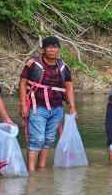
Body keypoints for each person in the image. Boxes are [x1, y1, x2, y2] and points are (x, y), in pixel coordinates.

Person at [19, 36, 76, 173]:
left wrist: (73, 106)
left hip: (56, 108)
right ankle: (31, 171)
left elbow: (69, 86)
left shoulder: (63, 67)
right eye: (49, 47)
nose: (52, 50)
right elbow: (22, 83)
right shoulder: (33, 64)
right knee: (37, 139)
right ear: (43, 49)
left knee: (49, 139)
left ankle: (42, 168)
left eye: (55, 47)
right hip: (37, 106)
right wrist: (23, 105)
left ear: (59, 49)